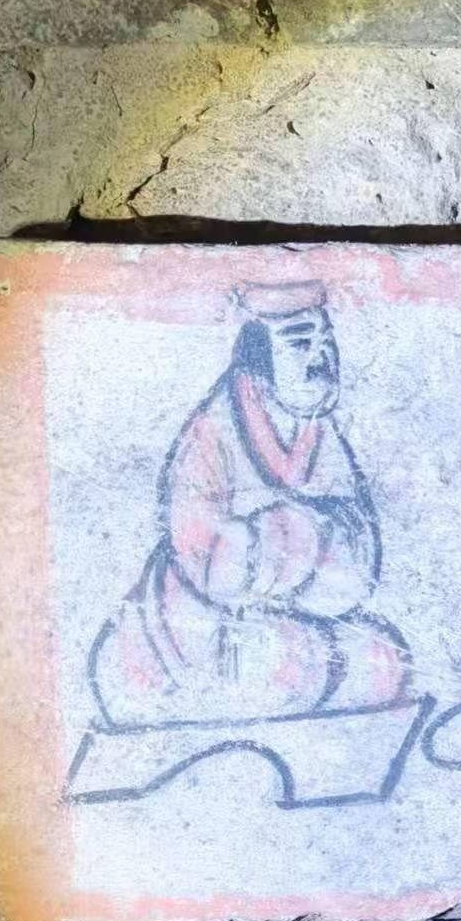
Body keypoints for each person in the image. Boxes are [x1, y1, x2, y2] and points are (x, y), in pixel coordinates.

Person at [89, 281, 410, 730]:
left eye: (326, 342)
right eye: (300, 343)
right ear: (259, 358)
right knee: (274, 666)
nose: (320, 357)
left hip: (291, 616)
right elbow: (203, 558)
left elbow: (360, 553)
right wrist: (291, 538)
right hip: (197, 627)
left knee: (385, 659)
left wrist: (317, 548)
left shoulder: (316, 428)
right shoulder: (213, 431)